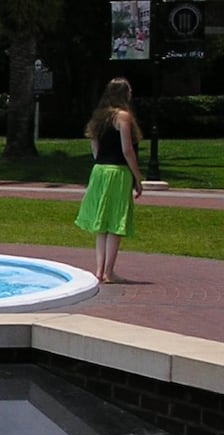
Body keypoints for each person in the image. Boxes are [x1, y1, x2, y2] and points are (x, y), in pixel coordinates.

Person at [75, 77, 144, 284]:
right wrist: (137, 177)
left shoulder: (99, 117)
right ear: (125, 94)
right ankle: (109, 272)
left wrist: (101, 163)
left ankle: (99, 270)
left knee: (102, 223)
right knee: (115, 221)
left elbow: (94, 147)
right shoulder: (123, 117)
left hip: (99, 171)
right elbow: (127, 149)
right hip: (117, 171)